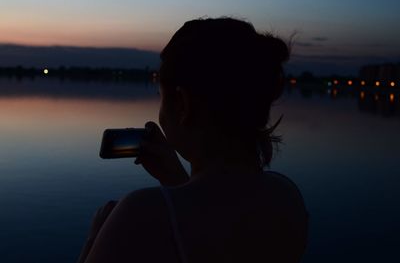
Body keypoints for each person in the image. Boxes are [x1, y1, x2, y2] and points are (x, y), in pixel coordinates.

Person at [78, 17, 308, 263]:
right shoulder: (286, 195)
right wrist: (176, 180)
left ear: (182, 104)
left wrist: (96, 237)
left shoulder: (141, 213)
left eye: (161, 97)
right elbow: (215, 220)